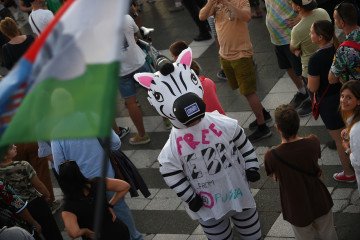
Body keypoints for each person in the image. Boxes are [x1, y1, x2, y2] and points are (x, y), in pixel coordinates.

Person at [135, 47, 262, 240]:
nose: (194, 121)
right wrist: (190, 197)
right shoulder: (172, 148)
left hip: (237, 191)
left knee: (251, 234)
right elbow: (171, 171)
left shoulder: (223, 123)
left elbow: (242, 142)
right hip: (207, 203)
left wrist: (252, 165)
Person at [199, 0, 273, 142]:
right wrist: (210, 3)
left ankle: (263, 127)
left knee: (248, 92)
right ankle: (263, 113)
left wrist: (227, 3)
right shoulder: (214, 3)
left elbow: (247, 17)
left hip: (241, 54)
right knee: (242, 88)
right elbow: (202, 16)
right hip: (225, 54)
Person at [51, 130, 144, 240]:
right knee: (120, 210)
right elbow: (115, 143)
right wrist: (109, 205)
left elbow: (60, 167)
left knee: (89, 220)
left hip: (80, 187)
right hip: (105, 174)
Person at [264, 104, 337, 240]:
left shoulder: (272, 156)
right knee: (329, 234)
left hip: (296, 207)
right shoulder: (313, 141)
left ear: (278, 128)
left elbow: (273, 175)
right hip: (320, 199)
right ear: (298, 123)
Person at [308, 20, 356, 183]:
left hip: (328, 102)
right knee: (351, 131)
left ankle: (349, 172)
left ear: (320, 37)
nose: (310, 35)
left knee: (340, 139)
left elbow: (313, 87)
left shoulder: (315, 59)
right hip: (346, 95)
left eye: (312, 32)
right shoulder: (340, 48)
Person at [0, 145, 63, 240]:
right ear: (4, 155)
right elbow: (38, 185)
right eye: (10, 148)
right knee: (52, 232)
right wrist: (46, 194)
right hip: (35, 203)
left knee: (32, 234)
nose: (15, 146)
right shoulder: (23, 165)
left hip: (18, 211)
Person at [58, 160, 130, 240]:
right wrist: (110, 205)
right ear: (79, 172)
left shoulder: (68, 205)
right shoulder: (97, 182)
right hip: (117, 230)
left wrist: (86, 231)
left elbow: (74, 233)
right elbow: (125, 186)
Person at [264, 0, 310, 113]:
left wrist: (298, 18)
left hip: (290, 38)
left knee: (302, 70)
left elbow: (308, 5)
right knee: (287, 67)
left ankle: (312, 97)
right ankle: (303, 92)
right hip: (276, 39)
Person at [290, 0, 331, 117]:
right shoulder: (322, 12)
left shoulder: (297, 30)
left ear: (298, 7)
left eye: (292, 2)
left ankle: (316, 108)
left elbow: (293, 48)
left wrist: (297, 50)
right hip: (329, 59)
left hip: (309, 69)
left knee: (316, 95)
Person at [169, 40, 225, 115]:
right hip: (222, 119)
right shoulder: (208, 82)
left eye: (173, 56)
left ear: (177, 57)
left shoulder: (186, 94)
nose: (172, 59)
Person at [120, 14, 150, 145]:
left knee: (131, 103)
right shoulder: (126, 18)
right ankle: (168, 121)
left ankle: (142, 135)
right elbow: (137, 33)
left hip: (120, 71)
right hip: (139, 62)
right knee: (154, 92)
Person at [14, 142, 62, 213]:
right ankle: (49, 203)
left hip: (12, 141)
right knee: (41, 172)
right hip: (31, 139)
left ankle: (26, 204)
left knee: (19, 172)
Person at [329, 2, 360, 83]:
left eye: (334, 19)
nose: (334, 21)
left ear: (342, 23)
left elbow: (332, 79)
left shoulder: (344, 50)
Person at [340, 80, 360, 193]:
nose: (343, 100)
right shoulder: (352, 118)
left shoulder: (356, 129)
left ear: (358, 101)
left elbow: (357, 162)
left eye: (349, 97)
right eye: (342, 96)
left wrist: (347, 149)